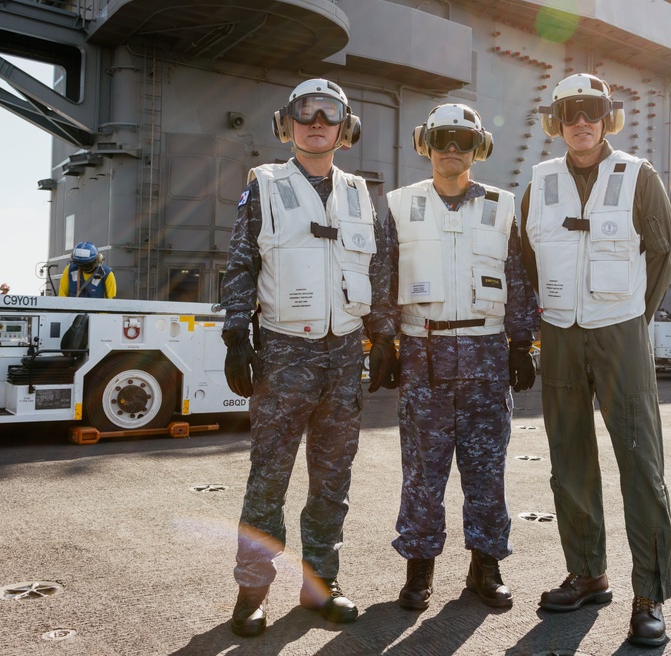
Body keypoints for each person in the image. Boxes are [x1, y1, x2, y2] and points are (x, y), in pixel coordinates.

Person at [220, 78, 397, 637]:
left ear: (345, 128)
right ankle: (251, 593)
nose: (315, 121)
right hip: (283, 353)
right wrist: (234, 335)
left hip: (344, 354)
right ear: (287, 123)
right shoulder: (265, 187)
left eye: (328, 112)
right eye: (304, 111)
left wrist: (384, 337)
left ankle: (322, 585)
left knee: (331, 482)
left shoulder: (361, 195)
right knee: (267, 479)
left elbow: (377, 273)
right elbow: (241, 264)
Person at [520, 73, 671, 647]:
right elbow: (530, 258)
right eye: (570, 112)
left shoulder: (639, 176)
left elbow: (661, 256)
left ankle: (650, 593)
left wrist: (632, 318)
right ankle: (588, 573)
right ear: (556, 122)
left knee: (640, 463)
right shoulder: (539, 183)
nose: (581, 121)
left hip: (621, 332)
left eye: (592, 111)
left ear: (607, 118)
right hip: (560, 331)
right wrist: (560, 308)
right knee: (569, 460)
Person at [384, 103, 539, 611]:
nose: (453, 148)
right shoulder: (398, 205)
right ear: (425, 143)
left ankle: (485, 568)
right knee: (422, 472)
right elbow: (381, 278)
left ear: (480, 147)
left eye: (464, 140)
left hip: (487, 353)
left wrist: (522, 343)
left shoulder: (503, 206)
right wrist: (383, 340)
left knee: (486, 469)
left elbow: (517, 280)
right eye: (444, 138)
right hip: (422, 352)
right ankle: (419, 570)